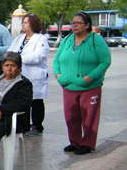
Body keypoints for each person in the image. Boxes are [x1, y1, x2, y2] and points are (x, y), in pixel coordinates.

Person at [53, 12, 111, 155]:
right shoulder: (67, 40)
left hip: (89, 87)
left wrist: (90, 77)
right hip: (68, 85)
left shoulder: (95, 40)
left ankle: (87, 144)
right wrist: (58, 75)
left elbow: (105, 61)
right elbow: (56, 60)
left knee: (89, 117)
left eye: (78, 23)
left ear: (87, 25)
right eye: (73, 22)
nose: (75, 25)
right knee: (71, 117)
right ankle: (75, 142)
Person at [7, 14, 50, 137]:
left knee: (36, 101)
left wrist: (17, 59)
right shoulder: (20, 38)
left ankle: (37, 126)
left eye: (26, 22)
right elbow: (10, 50)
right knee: (23, 101)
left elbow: (38, 56)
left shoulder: (41, 39)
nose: (23, 25)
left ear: (33, 24)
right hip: (20, 74)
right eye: (23, 22)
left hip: (35, 75)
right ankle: (23, 126)